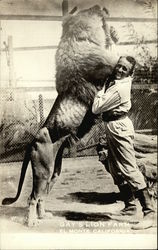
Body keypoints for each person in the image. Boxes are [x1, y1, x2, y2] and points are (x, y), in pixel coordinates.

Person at [92, 56, 155, 230]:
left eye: (124, 69)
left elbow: (96, 108)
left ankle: (149, 213)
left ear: (130, 73)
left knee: (129, 168)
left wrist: (100, 89)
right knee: (114, 167)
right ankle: (130, 207)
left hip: (120, 127)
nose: (119, 70)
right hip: (112, 125)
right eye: (118, 66)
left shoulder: (120, 88)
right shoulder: (116, 82)